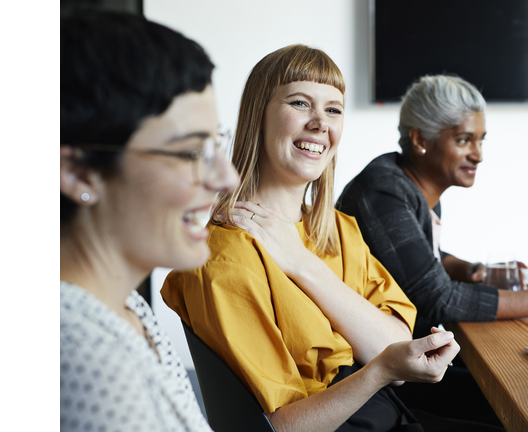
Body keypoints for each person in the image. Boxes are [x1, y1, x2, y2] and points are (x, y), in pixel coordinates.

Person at [161, 45, 494, 432]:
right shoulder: (225, 259)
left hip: (390, 414)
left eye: (333, 109)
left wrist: (303, 265)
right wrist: (381, 370)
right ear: (259, 117)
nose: (320, 123)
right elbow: (283, 427)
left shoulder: (338, 228)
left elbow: (395, 341)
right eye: (300, 103)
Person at [60, 11, 239, 431]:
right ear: (80, 173)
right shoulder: (81, 357)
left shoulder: (127, 307)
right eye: (190, 152)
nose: (226, 178)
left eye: (215, 144)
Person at [336, 74, 528, 339]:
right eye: (463, 140)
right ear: (420, 140)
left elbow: (419, 260)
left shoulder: (410, 186)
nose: (478, 155)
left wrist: (473, 270)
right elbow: (438, 299)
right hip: (378, 373)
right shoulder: (384, 193)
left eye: (481, 140)